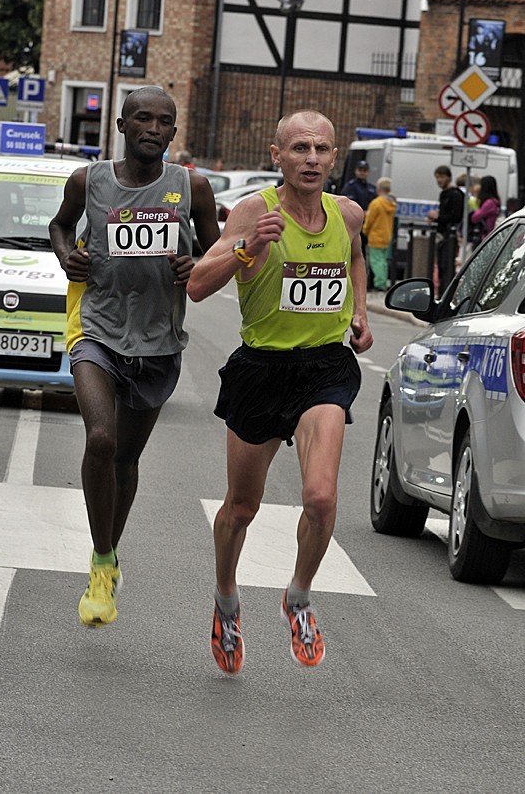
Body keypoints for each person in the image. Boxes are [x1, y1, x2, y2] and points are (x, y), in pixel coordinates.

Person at [187, 109, 373, 673]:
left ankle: (298, 594)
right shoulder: (251, 211)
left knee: (320, 497)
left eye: (321, 149)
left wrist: (361, 310)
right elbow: (197, 285)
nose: (311, 159)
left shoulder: (349, 214)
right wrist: (246, 249)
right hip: (261, 368)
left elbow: (357, 258)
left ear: (334, 157)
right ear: (277, 156)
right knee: (242, 507)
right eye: (299, 149)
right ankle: (225, 598)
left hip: (325, 367)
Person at [48, 86, 220, 627]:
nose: (152, 127)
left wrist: (195, 265)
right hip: (95, 330)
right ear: (120, 126)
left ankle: (110, 550)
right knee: (101, 439)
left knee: (125, 459)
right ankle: (101, 565)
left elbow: (215, 255)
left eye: (163, 121)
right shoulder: (89, 180)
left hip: (159, 343)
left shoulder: (191, 186)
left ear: (173, 131)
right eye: (141, 118)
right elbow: (59, 226)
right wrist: (65, 255)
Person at [426, 165, 464, 296]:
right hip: (442, 234)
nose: (439, 180)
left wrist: (439, 217)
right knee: (441, 266)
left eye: (441, 177)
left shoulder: (456, 194)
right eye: (437, 177)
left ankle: (446, 294)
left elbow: (456, 216)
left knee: (447, 266)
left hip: (450, 235)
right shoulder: (444, 194)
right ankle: (441, 293)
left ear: (449, 177)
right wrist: (436, 219)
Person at [362, 177, 396, 292]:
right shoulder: (391, 204)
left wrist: (365, 230)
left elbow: (370, 220)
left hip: (375, 236)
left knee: (376, 261)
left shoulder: (376, 204)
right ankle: (383, 281)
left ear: (379, 189)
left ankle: (379, 284)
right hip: (387, 235)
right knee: (383, 261)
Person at [469, 175, 501, 248]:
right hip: (490, 235)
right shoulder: (495, 201)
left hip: (486, 236)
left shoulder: (489, 203)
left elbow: (475, 218)